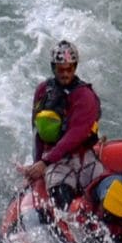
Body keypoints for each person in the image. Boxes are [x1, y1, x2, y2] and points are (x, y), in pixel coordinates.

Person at [23, 39, 103, 209]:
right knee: (61, 201)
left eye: (70, 68)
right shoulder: (43, 91)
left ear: (75, 67)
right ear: (53, 68)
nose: (65, 74)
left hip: (82, 157)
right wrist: (38, 164)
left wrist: (45, 162)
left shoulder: (85, 96)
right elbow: (36, 131)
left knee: (104, 195)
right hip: (55, 160)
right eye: (61, 69)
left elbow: (76, 135)